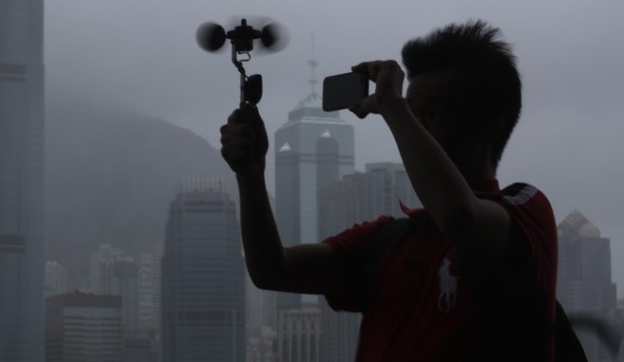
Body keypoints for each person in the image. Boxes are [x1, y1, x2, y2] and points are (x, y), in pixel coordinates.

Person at [220, 21, 557, 361]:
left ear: (489, 129)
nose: (415, 128)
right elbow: (273, 269)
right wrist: (251, 174)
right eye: (413, 114)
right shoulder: (387, 241)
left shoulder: (526, 215)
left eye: (434, 114)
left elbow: (459, 215)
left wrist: (395, 107)